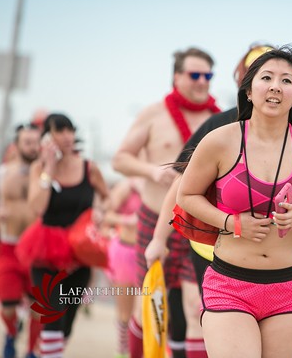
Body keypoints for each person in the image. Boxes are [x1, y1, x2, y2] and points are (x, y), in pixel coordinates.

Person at [146, 51, 292, 358]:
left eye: (286, 80)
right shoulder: (220, 139)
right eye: (266, 78)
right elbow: (185, 196)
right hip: (230, 282)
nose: (275, 86)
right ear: (248, 90)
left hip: (289, 287)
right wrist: (231, 223)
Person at [112, 47, 220, 358]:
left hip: (198, 222)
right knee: (150, 301)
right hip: (152, 217)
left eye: (208, 76)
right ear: (176, 76)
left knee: (195, 305)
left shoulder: (220, 119)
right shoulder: (153, 113)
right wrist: (150, 171)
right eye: (194, 75)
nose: (202, 82)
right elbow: (120, 159)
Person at [15, 113, 109, 358]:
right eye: (60, 131)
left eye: (70, 131)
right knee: (52, 315)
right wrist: (49, 167)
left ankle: (40, 352)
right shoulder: (39, 168)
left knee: (66, 324)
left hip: (80, 253)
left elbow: (107, 198)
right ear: (48, 136)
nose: (67, 137)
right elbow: (37, 207)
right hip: (46, 251)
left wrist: (99, 211)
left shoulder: (90, 168)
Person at [0, 123, 42, 358]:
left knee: (38, 306)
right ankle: (12, 332)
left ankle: (30, 350)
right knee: (7, 304)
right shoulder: (3, 173)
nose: (33, 147)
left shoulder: (47, 173)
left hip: (36, 250)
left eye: (36, 142)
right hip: (8, 246)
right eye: (27, 142)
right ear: (16, 145)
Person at [103, 177, 143, 358]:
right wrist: (128, 220)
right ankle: (123, 351)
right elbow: (106, 215)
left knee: (145, 311)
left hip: (149, 255)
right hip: (125, 252)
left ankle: (140, 351)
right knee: (125, 312)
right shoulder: (127, 186)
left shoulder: (162, 181)